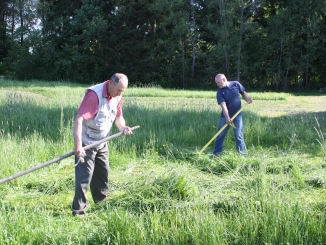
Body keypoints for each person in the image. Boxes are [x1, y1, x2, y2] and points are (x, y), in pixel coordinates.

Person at [72, 73, 133, 217]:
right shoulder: (94, 95)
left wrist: (122, 127)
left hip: (102, 142)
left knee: (102, 174)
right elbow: (79, 120)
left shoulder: (117, 95)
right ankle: (79, 211)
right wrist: (78, 145)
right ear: (110, 83)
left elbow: (118, 117)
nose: (120, 94)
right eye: (119, 90)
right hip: (87, 143)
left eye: (122, 91)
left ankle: (101, 204)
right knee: (84, 178)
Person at [212, 74, 253, 156]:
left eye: (219, 82)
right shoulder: (220, 92)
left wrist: (247, 99)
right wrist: (227, 118)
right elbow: (223, 106)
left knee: (239, 135)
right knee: (220, 135)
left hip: (238, 116)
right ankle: (216, 153)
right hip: (225, 117)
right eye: (216, 83)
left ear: (224, 79)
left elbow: (243, 92)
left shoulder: (236, 84)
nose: (217, 84)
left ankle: (241, 154)